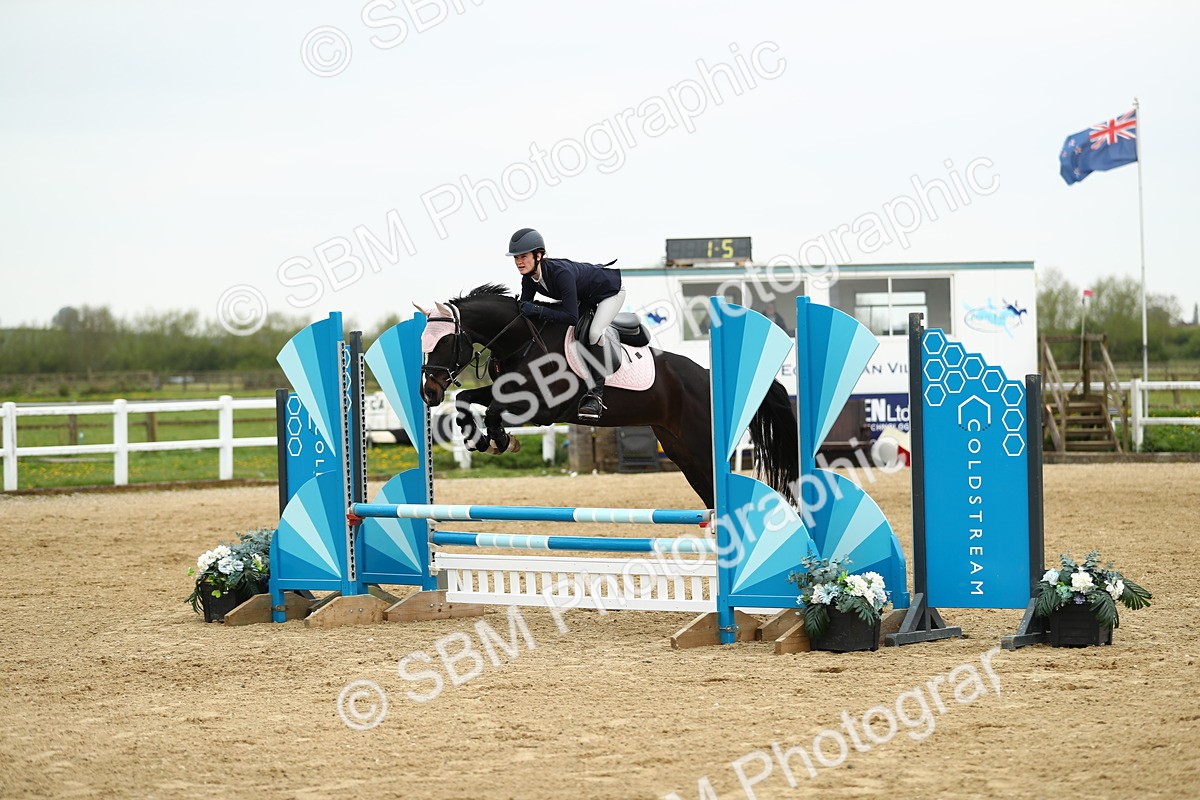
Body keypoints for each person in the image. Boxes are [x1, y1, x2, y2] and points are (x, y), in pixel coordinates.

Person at [506, 227, 625, 420]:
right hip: (586, 296)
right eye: (516, 258)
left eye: (523, 256)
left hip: (611, 292)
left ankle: (596, 395)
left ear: (538, 255)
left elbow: (571, 317)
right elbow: (524, 309)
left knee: (594, 333)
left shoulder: (560, 274)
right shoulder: (528, 279)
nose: (519, 262)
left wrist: (538, 310)